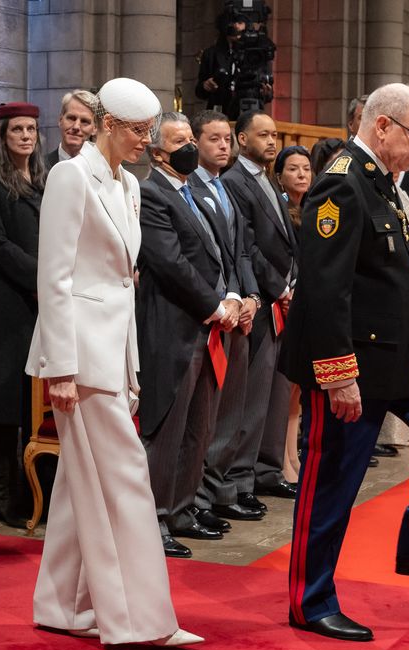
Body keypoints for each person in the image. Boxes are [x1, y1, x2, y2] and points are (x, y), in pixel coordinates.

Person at [280, 82, 409, 643]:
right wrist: (338, 373)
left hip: (393, 351)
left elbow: (389, 267)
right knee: (333, 480)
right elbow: (326, 291)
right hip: (350, 360)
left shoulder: (381, 184)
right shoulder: (342, 184)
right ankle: (310, 599)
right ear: (382, 127)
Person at [26, 77, 202, 647]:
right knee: (126, 478)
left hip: (112, 353)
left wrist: (130, 366)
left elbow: (124, 284)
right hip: (78, 353)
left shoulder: (129, 183)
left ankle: (63, 606)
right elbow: (53, 277)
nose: (146, 142)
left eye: (150, 132)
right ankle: (140, 621)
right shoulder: (68, 175)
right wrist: (59, 367)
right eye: (136, 131)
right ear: (105, 123)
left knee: (81, 489)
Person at [137, 111, 236, 558]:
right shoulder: (151, 193)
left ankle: (181, 509)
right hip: (174, 325)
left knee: (200, 424)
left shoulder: (192, 188)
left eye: (190, 138)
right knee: (169, 427)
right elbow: (170, 263)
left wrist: (233, 294)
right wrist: (215, 305)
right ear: (158, 151)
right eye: (180, 141)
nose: (190, 146)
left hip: (208, 323)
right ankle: (153, 518)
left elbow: (219, 252)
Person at [0, 102, 45, 526]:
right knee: (6, 395)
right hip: (9, 299)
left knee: (35, 394)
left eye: (31, 128)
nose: (25, 136)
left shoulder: (46, 180)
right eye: (17, 129)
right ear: (3, 135)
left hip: (44, 300)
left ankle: (33, 487)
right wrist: (41, 278)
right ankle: (0, 493)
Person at [220, 109, 298, 512]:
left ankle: (268, 470)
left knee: (276, 391)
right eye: (263, 134)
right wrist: (279, 287)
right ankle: (240, 478)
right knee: (250, 397)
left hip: (279, 298)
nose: (272, 141)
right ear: (242, 139)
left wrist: (294, 279)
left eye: (275, 135)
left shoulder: (268, 179)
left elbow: (286, 242)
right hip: (262, 298)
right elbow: (247, 246)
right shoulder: (235, 181)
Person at [187, 109, 259, 536]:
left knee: (229, 414)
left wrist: (247, 295)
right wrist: (225, 299)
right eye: (214, 139)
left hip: (235, 308)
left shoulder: (223, 187)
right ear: (195, 142)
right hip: (208, 313)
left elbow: (239, 251)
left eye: (227, 139)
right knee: (206, 419)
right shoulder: (190, 186)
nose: (223, 146)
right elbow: (201, 258)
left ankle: (212, 493)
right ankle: (194, 500)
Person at [274, 145, 312, 487]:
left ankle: (293, 455)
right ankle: (282, 459)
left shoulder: (314, 210)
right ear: (280, 175)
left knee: (298, 389)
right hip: (284, 301)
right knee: (285, 388)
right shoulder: (282, 211)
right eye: (293, 169)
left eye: (306, 169)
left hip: (306, 301)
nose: (301, 175)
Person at [45, 90, 97, 171]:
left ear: (95, 129)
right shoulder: (38, 167)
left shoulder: (101, 169)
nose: (76, 127)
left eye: (84, 121)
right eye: (71, 118)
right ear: (60, 120)